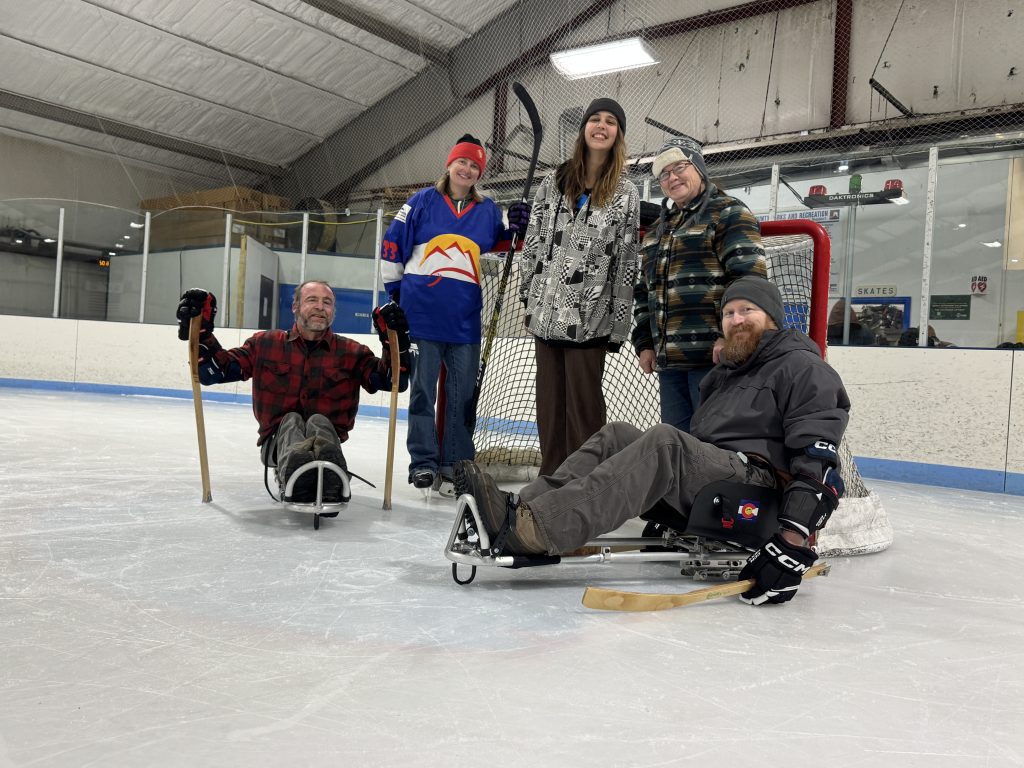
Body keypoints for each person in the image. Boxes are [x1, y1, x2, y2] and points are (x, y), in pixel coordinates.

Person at [455, 276, 850, 605]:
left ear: (773, 318)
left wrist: (792, 539)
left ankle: (538, 531)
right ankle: (520, 511)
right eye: (729, 313)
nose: (737, 319)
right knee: (617, 435)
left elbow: (819, 461)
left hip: (758, 494)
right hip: (722, 480)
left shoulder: (802, 367)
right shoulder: (726, 373)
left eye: (748, 310)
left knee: (666, 441)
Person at [380, 134, 531, 496]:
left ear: (481, 173)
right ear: (449, 164)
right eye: (462, 161)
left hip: (464, 321)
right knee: (422, 394)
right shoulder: (421, 202)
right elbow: (391, 246)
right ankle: (423, 463)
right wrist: (396, 296)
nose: (467, 169)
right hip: (422, 317)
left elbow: (502, 246)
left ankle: (456, 464)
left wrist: (519, 229)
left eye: (475, 165)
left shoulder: (487, 210)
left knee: (462, 397)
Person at [175, 281, 410, 503]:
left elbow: (390, 381)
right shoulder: (264, 344)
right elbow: (215, 372)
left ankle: (330, 476)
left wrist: (394, 343)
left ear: (333, 311)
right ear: (295, 306)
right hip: (277, 443)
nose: (320, 307)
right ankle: (296, 473)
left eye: (327, 302)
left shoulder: (352, 352)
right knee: (291, 421)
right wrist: (201, 334)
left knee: (319, 422)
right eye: (312, 300)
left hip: (329, 441)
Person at [518, 97, 640, 476]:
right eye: (595, 119)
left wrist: (619, 326)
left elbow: (626, 262)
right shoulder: (553, 183)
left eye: (610, 122)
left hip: (589, 321)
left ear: (618, 134)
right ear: (584, 127)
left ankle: (584, 486)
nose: (601, 126)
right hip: (546, 317)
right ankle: (550, 482)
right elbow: (533, 243)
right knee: (549, 409)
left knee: (584, 413)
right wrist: (529, 296)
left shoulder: (625, 192)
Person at [633, 136, 766, 433]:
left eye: (679, 167)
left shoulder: (729, 213)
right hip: (670, 365)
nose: (672, 177)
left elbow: (750, 281)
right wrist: (645, 343)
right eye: (664, 174)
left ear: (699, 168)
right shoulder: (657, 232)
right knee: (676, 445)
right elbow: (643, 292)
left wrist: (730, 337)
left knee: (715, 443)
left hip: (716, 360)